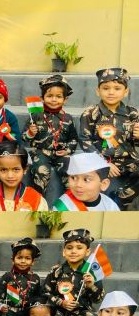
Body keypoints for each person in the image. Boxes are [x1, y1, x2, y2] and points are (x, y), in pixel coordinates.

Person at [80, 67, 139, 209]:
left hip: (129, 162)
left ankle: (121, 197)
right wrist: (104, 162)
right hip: (103, 162)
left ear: (126, 92)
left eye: (117, 88)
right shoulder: (91, 113)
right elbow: (84, 140)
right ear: (98, 91)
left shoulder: (132, 113)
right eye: (106, 88)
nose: (111, 92)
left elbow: (135, 142)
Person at [23, 75, 78, 204]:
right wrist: (30, 133)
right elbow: (23, 137)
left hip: (61, 153)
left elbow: (73, 139)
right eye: (49, 96)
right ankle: (38, 200)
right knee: (40, 170)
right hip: (41, 152)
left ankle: (71, 200)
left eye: (58, 96)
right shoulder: (35, 116)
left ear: (65, 99)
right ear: (42, 98)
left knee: (70, 169)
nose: (54, 100)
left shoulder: (68, 118)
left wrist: (67, 151)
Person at [42, 229, 104, 316]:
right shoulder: (56, 271)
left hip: (82, 313)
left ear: (87, 251)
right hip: (59, 312)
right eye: (69, 248)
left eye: (79, 248)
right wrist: (61, 302)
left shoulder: (91, 272)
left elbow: (98, 299)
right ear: (64, 251)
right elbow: (45, 292)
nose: (73, 251)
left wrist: (91, 286)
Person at [0, 141, 48, 211]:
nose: (10, 176)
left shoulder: (35, 199)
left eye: (16, 169)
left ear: (25, 169)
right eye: (4, 170)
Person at [0, 238, 41, 316]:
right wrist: (1, 306)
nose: (23, 261)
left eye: (27, 258)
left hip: (28, 312)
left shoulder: (35, 278)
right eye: (19, 257)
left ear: (33, 261)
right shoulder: (7, 277)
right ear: (13, 260)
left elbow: (38, 297)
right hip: (10, 311)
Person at [52, 152, 120, 211]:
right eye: (73, 178)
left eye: (86, 180)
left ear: (104, 184)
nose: (78, 184)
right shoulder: (62, 207)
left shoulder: (110, 205)